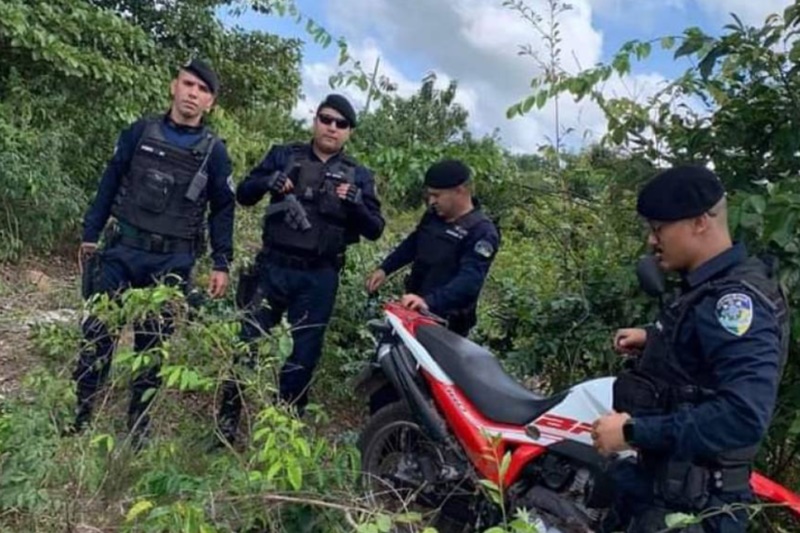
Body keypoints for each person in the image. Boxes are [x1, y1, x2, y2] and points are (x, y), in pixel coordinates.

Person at [591, 165, 789, 532]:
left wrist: (633, 432)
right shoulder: (709, 289)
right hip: (664, 494)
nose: (652, 241)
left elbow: (743, 416)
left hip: (695, 511)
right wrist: (654, 338)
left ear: (700, 222)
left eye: (659, 229)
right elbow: (706, 355)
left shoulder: (736, 303)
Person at [67, 59, 235, 448]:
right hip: (121, 249)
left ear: (209, 103)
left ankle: (138, 425)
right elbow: (110, 180)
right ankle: (81, 414)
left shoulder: (214, 153)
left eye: (202, 90)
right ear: (174, 86)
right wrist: (90, 233)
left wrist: (222, 262)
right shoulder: (139, 132)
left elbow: (223, 209)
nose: (193, 93)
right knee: (97, 335)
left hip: (171, 261)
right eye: (188, 84)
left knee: (152, 346)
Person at [213, 93, 384, 445]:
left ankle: (283, 434)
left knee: (303, 357)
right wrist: (267, 181)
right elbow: (244, 194)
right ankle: (226, 427)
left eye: (340, 124)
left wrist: (356, 204)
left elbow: (375, 229)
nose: (331, 128)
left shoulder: (358, 174)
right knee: (247, 345)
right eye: (326, 119)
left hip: (319, 277)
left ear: (349, 132)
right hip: (272, 269)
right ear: (315, 121)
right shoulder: (283, 154)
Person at [365, 159, 499, 337]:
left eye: (437, 195)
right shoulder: (433, 216)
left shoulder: (481, 231)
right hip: (412, 310)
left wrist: (429, 303)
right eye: (429, 195)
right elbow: (413, 244)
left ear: (460, 191)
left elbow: (469, 281)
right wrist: (385, 269)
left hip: (446, 324)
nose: (431, 201)